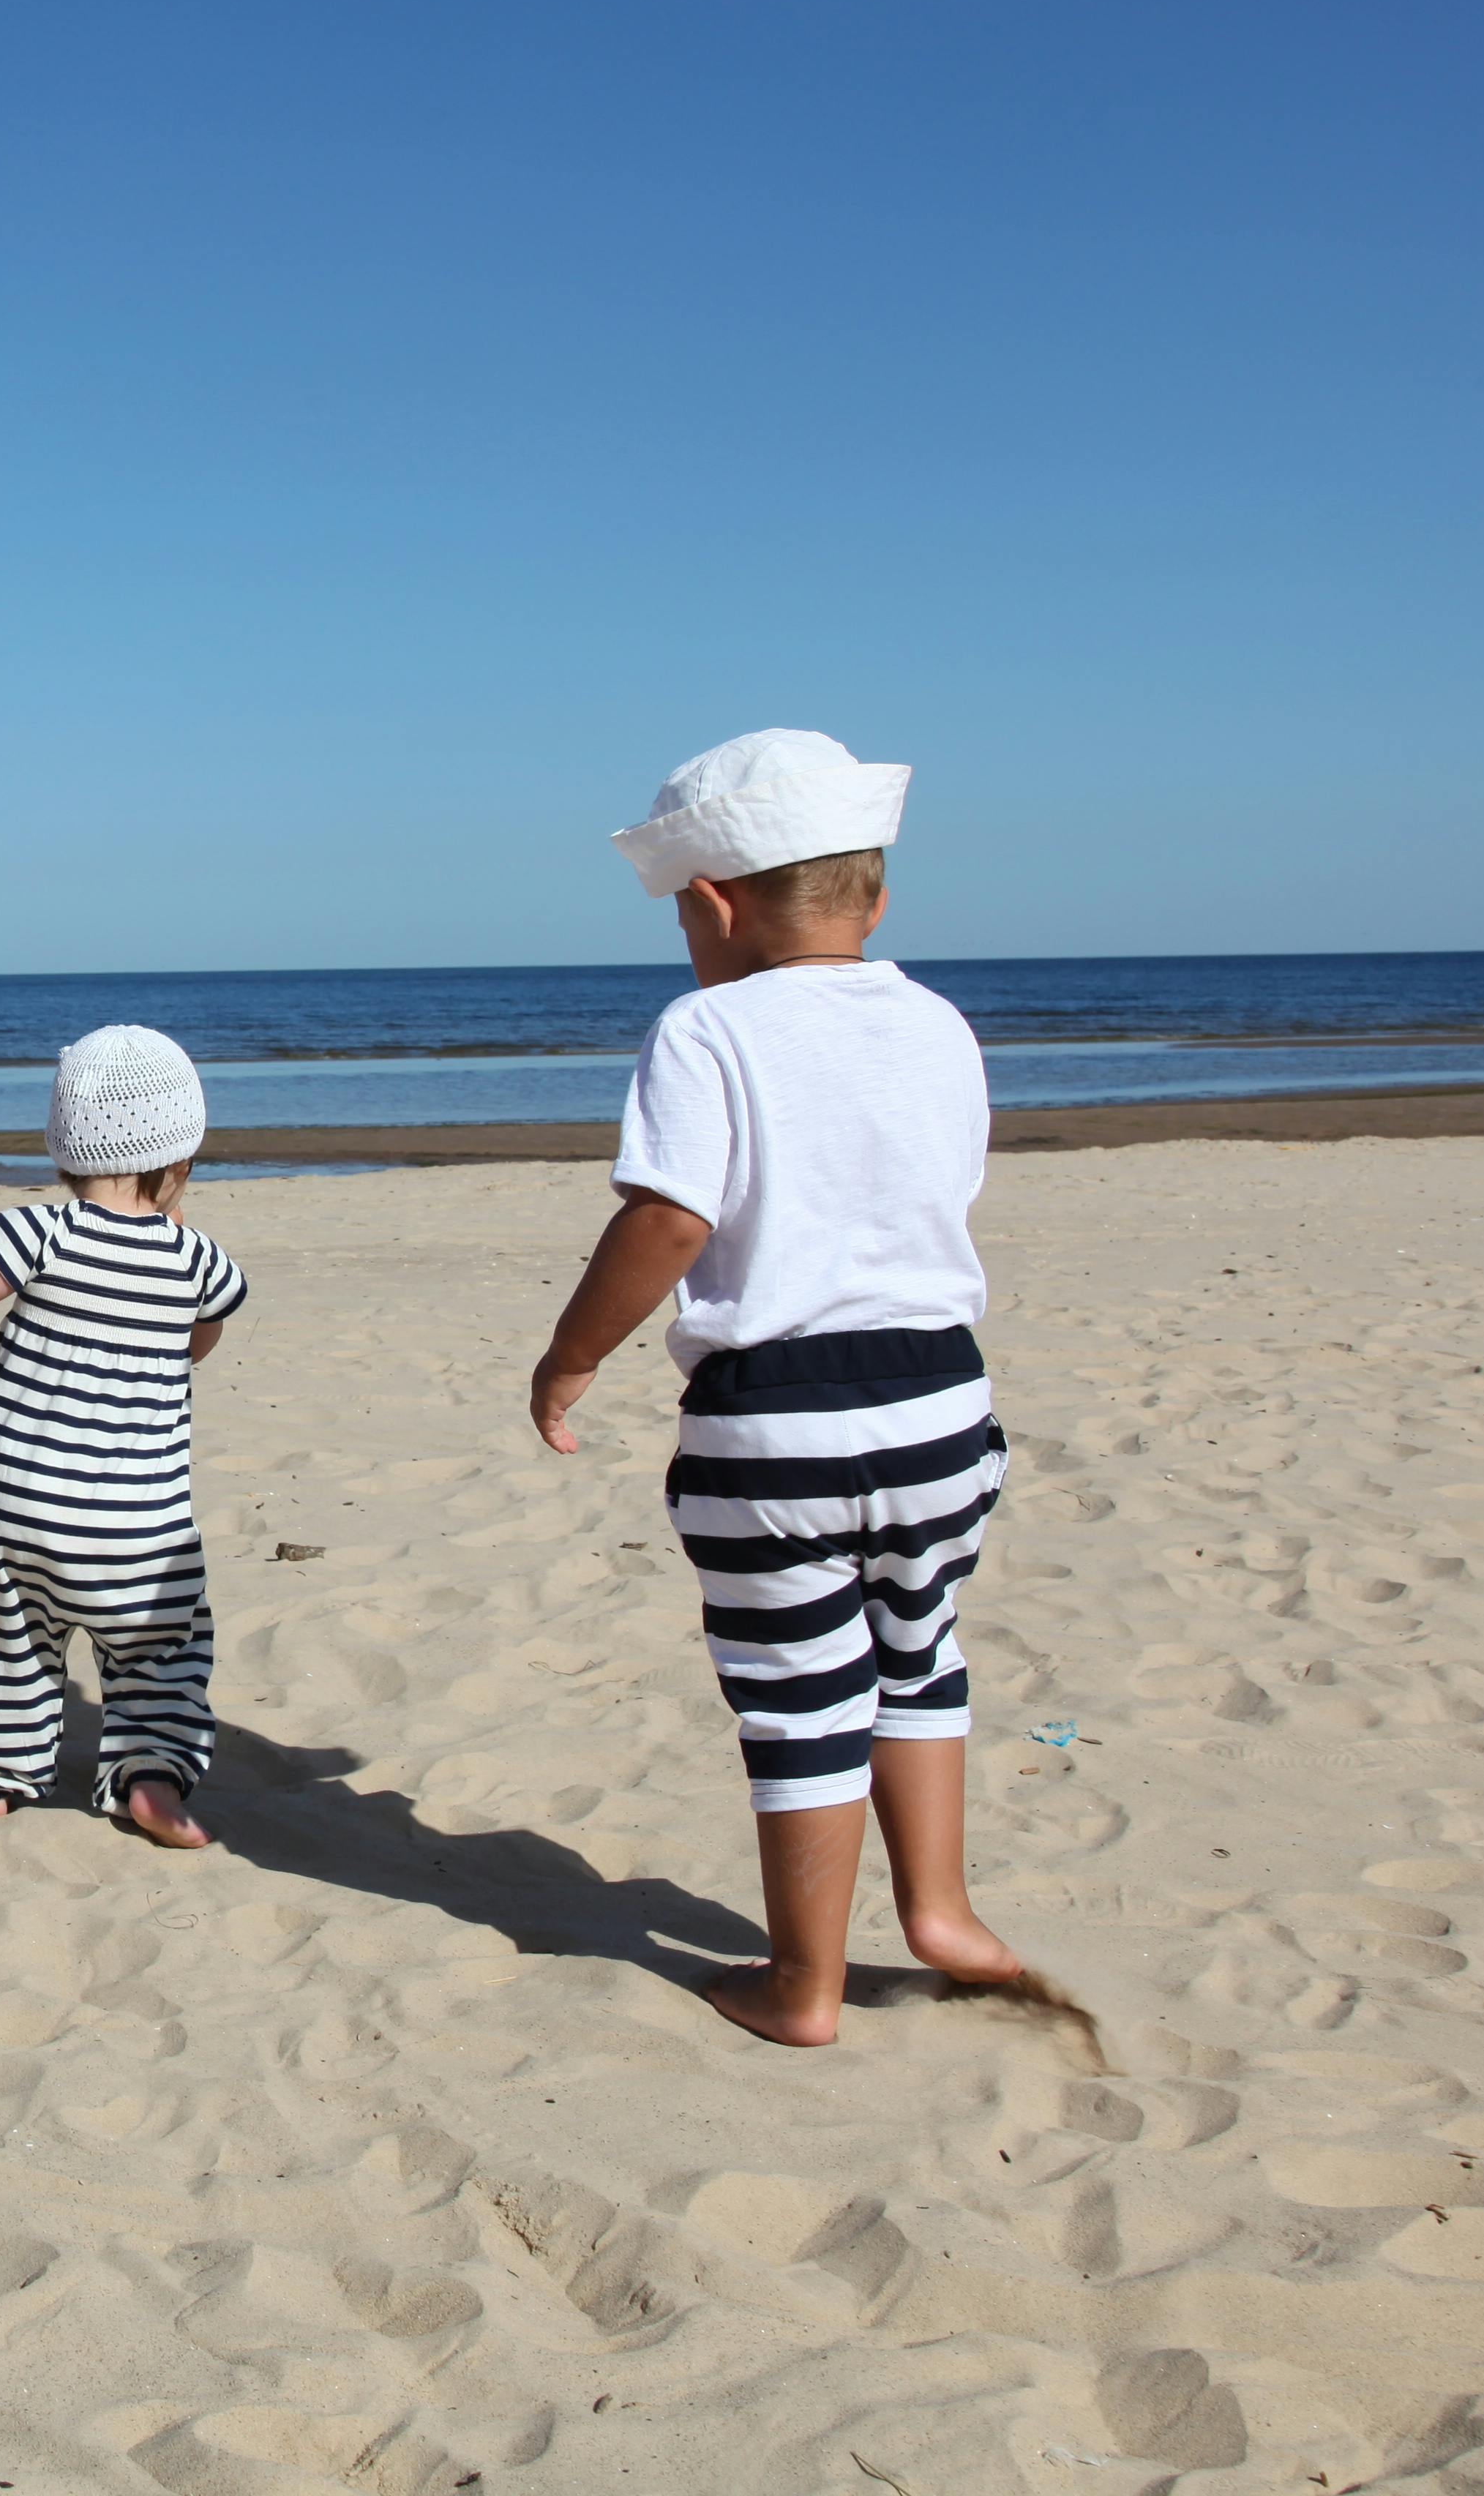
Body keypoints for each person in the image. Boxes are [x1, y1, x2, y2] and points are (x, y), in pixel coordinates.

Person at [528, 729, 1038, 2045]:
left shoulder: (706, 1028)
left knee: (800, 1690)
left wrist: (573, 1351)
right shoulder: (937, 1023)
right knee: (919, 1650)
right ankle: (942, 1910)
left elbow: (668, 1219)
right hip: (941, 1402)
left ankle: (801, 1982)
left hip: (779, 1421)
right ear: (875, 896)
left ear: (710, 905)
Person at [0, 1026, 246, 1846]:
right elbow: (195, 1345)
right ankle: (151, 1781)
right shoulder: (200, 1263)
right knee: (159, 1654)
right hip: (142, 1528)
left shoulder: (43, 1232)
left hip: (16, 1510)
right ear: (183, 1161)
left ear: (65, 1152)